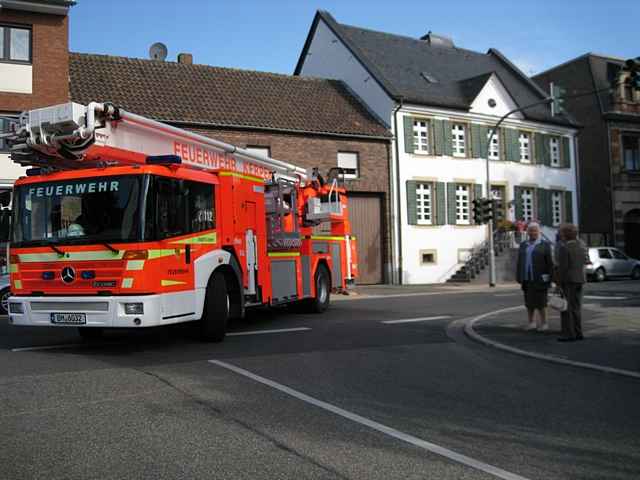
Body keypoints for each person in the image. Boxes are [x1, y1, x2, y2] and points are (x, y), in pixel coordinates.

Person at [516, 222, 553, 331]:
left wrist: (550, 278)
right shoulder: (523, 245)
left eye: (535, 231)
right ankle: (531, 322)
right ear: (527, 232)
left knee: (541, 302)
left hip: (540, 278)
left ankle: (544, 323)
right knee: (529, 302)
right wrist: (519, 276)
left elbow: (549, 263)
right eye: (530, 231)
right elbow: (519, 262)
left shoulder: (545, 245)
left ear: (539, 232)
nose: (533, 233)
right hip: (527, 278)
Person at [555, 223, 588, 342]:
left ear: (566, 235)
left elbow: (563, 268)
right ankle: (578, 332)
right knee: (576, 307)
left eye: (562, 233)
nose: (560, 234)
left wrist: (558, 284)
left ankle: (568, 334)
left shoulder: (565, 248)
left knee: (566, 308)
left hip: (568, 281)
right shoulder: (582, 245)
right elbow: (586, 260)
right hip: (580, 279)